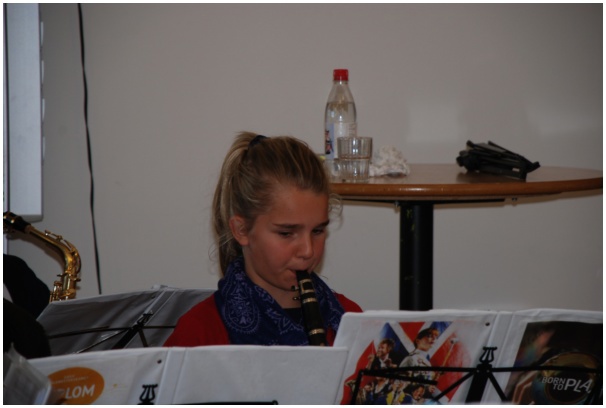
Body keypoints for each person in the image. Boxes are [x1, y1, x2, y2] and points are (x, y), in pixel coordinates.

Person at [164, 132, 362, 347]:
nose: (308, 251)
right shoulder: (200, 333)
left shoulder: (351, 320)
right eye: (286, 233)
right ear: (241, 230)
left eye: (318, 231)